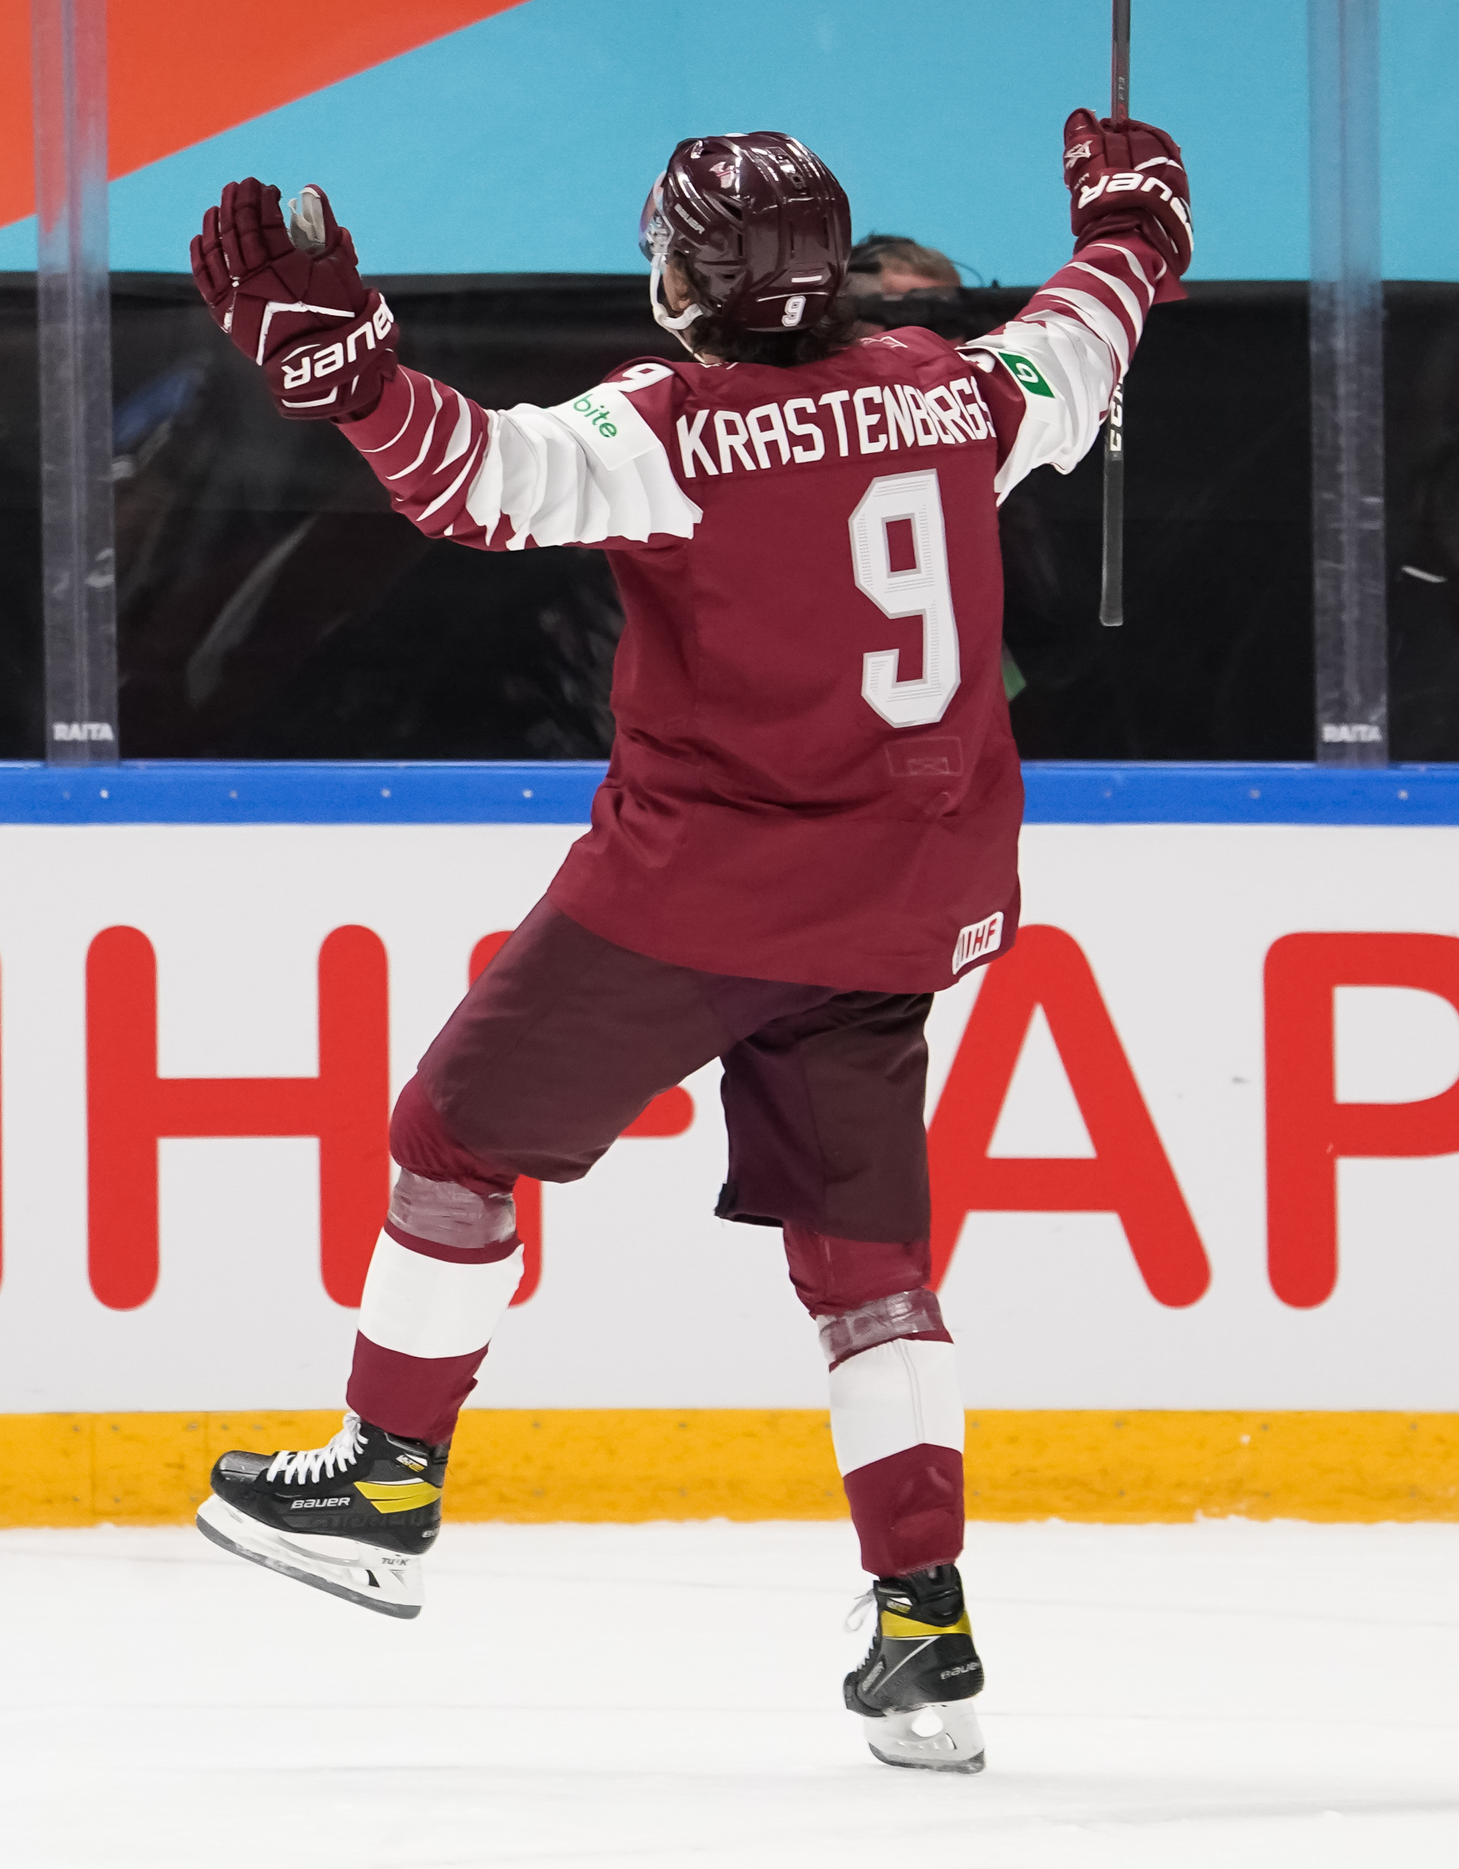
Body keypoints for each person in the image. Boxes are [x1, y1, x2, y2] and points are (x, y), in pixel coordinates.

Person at [187, 114, 1192, 1774]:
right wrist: (1139, 223)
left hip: (707, 889)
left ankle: (384, 1483)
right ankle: (925, 1629)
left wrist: (354, 376)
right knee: (869, 1269)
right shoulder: (957, 390)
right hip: (913, 901)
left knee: (451, 1135)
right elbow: (1088, 330)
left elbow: (477, 479)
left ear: (682, 277)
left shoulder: (671, 425)